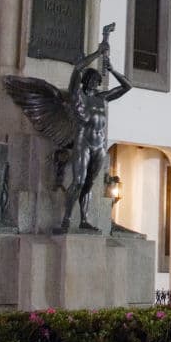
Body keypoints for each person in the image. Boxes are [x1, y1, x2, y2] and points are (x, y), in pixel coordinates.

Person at [57, 39, 131, 234]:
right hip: (84, 142)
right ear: (85, 80)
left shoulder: (101, 98)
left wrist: (112, 69)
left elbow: (127, 86)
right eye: (90, 78)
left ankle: (84, 220)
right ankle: (66, 219)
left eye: (96, 79)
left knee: (89, 183)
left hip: (100, 145)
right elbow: (77, 69)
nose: (94, 82)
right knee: (79, 181)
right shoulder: (78, 96)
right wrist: (98, 53)